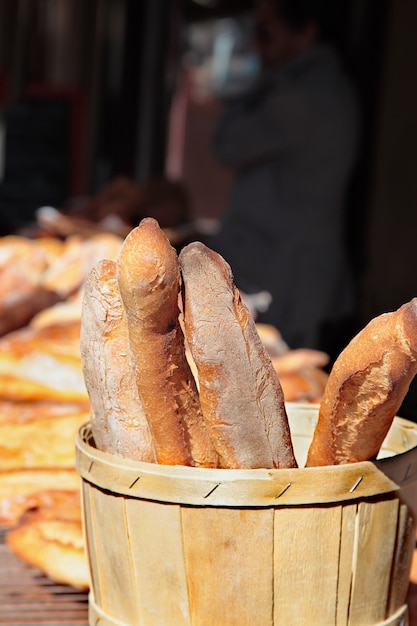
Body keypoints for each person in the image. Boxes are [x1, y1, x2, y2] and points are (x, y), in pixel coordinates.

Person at [207, 0, 360, 359]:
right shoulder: (312, 85)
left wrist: (262, 79)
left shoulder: (303, 95)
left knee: (270, 382)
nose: (256, 45)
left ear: (306, 33)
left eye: (265, 32)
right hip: (283, 263)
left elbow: (226, 144)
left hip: (284, 273)